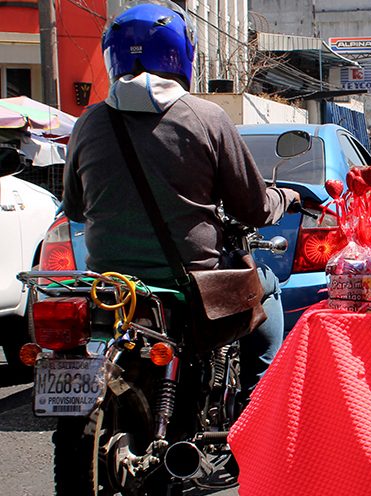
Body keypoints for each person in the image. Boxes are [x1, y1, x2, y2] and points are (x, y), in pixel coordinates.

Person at [62, 1, 298, 396]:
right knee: (268, 286)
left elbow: (73, 207)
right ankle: (254, 406)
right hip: (191, 285)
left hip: (111, 288)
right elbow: (253, 208)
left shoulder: (89, 121)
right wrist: (285, 197)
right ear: (181, 54)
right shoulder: (206, 117)